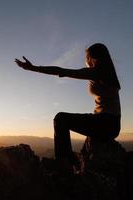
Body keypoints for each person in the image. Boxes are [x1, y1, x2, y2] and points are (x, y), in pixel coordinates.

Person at [15, 43, 121, 171]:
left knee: (60, 119)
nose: (87, 60)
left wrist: (34, 68)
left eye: (88, 57)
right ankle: (67, 160)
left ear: (93, 57)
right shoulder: (108, 73)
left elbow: (61, 71)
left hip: (106, 123)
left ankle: (64, 163)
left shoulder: (97, 72)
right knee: (63, 119)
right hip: (110, 123)